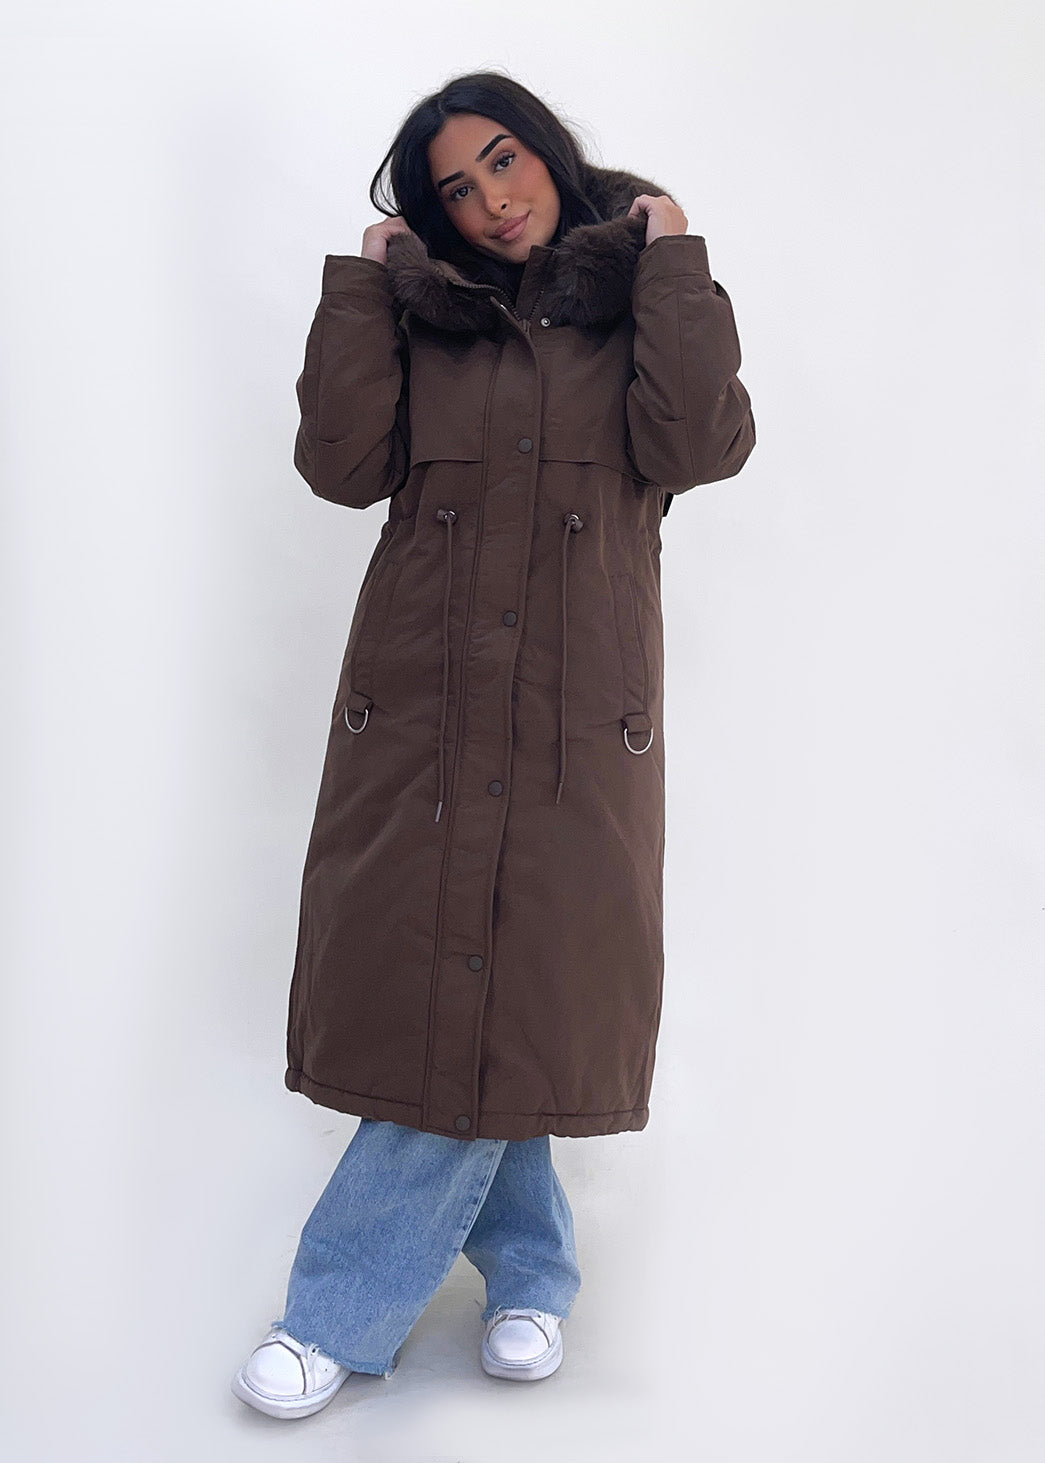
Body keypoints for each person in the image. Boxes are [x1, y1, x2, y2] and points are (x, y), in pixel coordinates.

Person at [232, 69, 755, 1420]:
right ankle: (529, 1275)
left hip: (579, 717)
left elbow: (699, 441)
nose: (492, 201)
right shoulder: (425, 318)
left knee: (513, 979)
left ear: (551, 154)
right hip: (418, 708)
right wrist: (363, 289)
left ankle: (333, 1315)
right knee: (457, 984)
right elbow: (340, 465)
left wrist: (674, 254)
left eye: (505, 160)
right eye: (456, 190)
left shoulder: (639, 299)